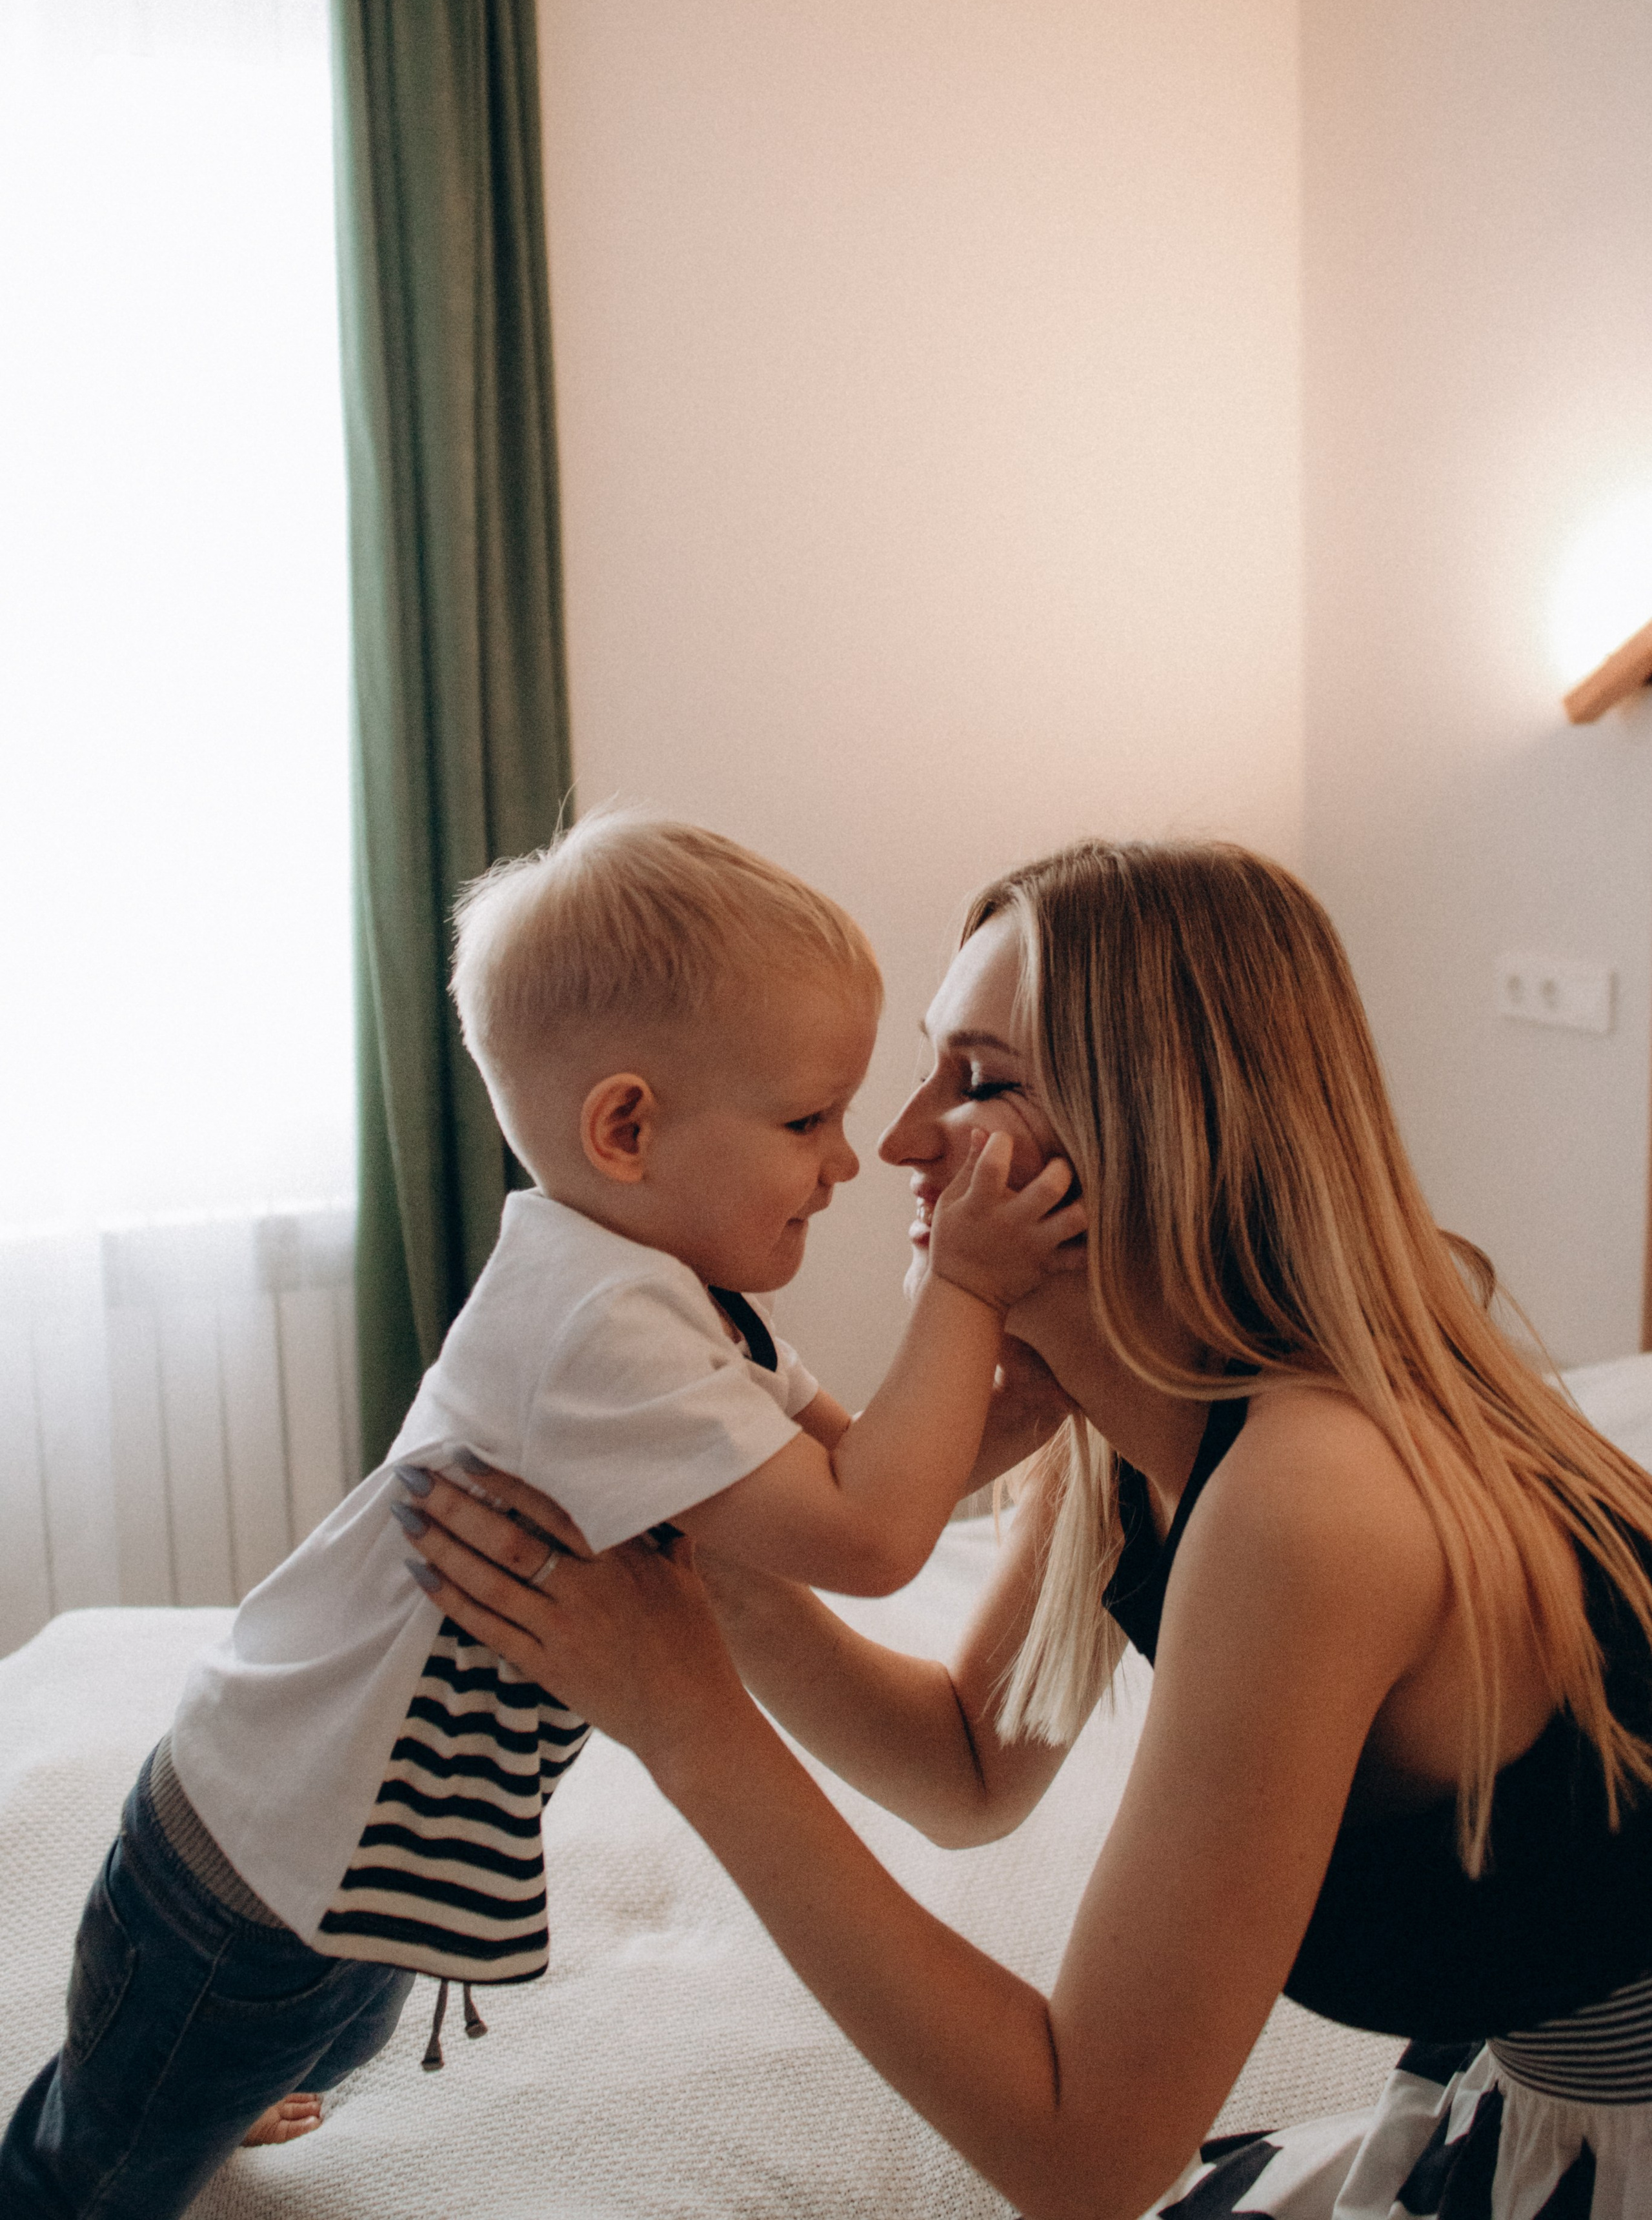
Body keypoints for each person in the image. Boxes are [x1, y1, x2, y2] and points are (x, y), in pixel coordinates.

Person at [398, 838, 1652, 2220]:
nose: (893, 1142)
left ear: (1162, 1125)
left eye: (981, 1082)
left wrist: (684, 1721)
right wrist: (714, 1571)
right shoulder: (1108, 1425)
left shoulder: (1308, 1497)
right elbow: (966, 1770)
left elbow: (1084, 2155)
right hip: (1521, 2099)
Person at [0, 812, 1078, 2220]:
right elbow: (870, 1542)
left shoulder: (672, 1305)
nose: (847, 1162)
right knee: (98, 2166)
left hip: (345, 1860)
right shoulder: (593, 1331)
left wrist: (1014, 1414)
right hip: (252, 1875)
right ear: (626, 1128)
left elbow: (863, 1470)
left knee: (330, 2030)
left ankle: (229, 2077)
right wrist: (968, 1288)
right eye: (805, 1121)